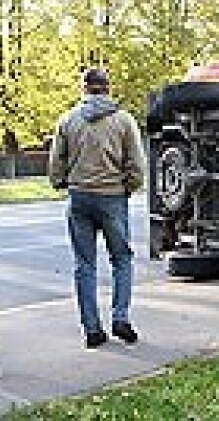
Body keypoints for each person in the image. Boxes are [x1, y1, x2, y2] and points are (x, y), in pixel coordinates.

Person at [49, 68, 146, 349]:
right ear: (107, 88)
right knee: (122, 259)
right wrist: (129, 186)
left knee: (85, 265)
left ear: (84, 88)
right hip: (112, 196)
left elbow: (57, 162)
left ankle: (92, 329)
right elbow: (136, 163)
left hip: (79, 197)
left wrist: (61, 182)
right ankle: (120, 318)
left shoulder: (67, 120)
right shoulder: (124, 120)